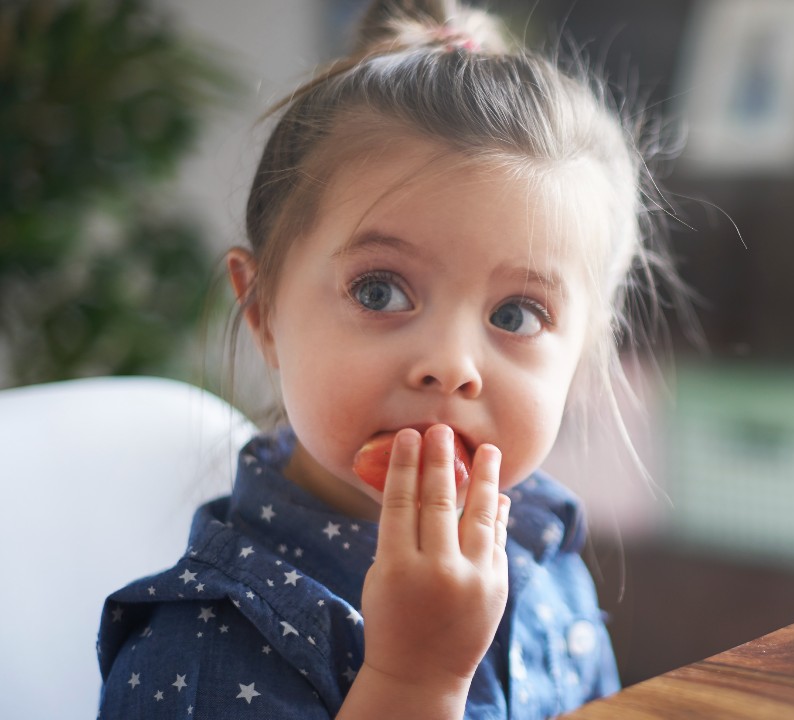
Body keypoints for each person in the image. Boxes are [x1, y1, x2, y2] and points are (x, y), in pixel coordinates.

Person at [97, 0, 679, 717]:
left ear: (585, 352)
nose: (451, 364)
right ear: (264, 311)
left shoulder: (540, 546)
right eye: (379, 291)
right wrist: (414, 681)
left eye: (516, 315)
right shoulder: (202, 652)